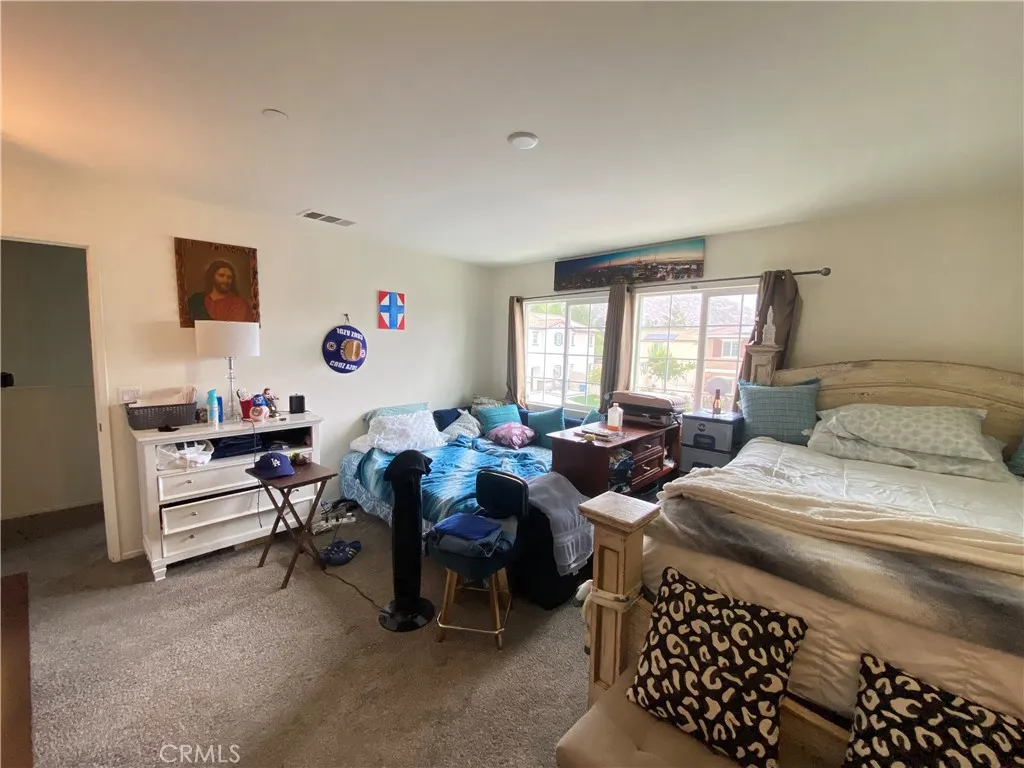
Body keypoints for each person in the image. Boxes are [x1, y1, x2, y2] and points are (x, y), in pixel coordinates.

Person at [187, 260, 254, 322]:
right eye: (221, 275)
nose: (225, 280)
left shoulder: (239, 303)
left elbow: (233, 327)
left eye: (229, 277)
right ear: (212, 277)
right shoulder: (196, 299)